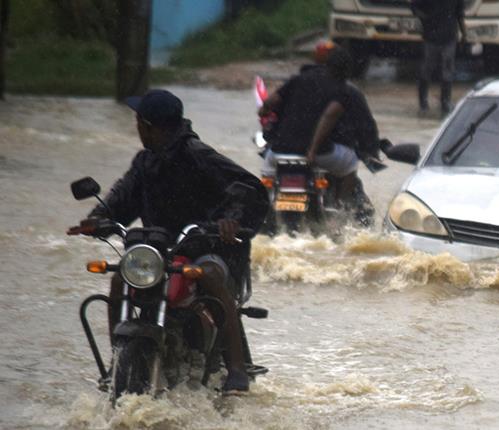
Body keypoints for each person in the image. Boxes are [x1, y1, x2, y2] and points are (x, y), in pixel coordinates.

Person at [67, 89, 269, 393]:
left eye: (139, 122)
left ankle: (237, 371)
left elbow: (249, 188)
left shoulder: (198, 155)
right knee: (120, 279)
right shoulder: (145, 162)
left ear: (150, 126)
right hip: (157, 252)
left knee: (211, 275)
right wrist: (98, 218)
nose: (137, 128)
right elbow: (123, 196)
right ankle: (117, 362)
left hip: (204, 248)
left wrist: (232, 219)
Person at [257, 45, 381, 210]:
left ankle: (264, 209)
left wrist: (263, 111)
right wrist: (312, 150)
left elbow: (270, 103)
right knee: (351, 163)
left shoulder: (297, 80)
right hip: (318, 153)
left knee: (267, 172)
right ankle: (341, 208)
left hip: (280, 150)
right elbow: (332, 117)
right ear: (347, 70)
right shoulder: (344, 90)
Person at [411, 0, 467, 116]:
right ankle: (427, 102)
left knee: (442, 69)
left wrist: (464, 34)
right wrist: (425, 19)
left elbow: (460, 14)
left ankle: (442, 101)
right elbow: (415, 6)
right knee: (430, 68)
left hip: (444, 36)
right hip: (434, 35)